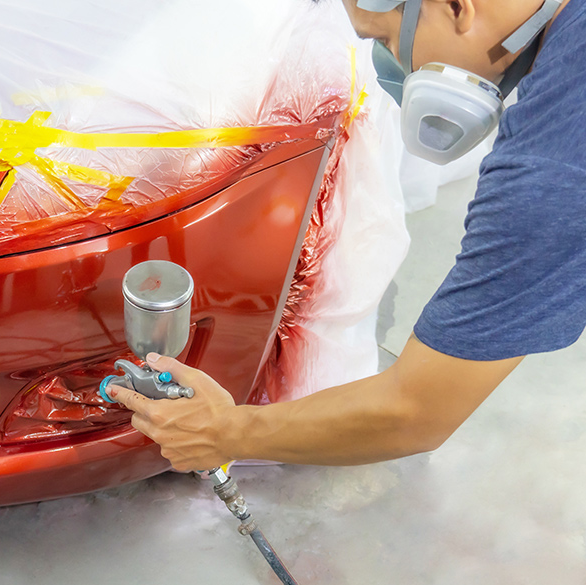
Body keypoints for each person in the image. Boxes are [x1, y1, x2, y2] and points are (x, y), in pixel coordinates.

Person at [105, 0, 584, 471]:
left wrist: (226, 432)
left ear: (458, 7)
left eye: (387, 38)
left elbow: (415, 411)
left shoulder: (551, 170)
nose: (392, 68)